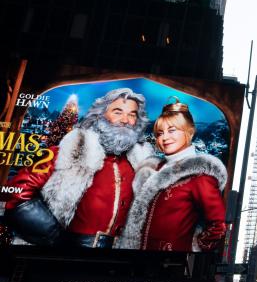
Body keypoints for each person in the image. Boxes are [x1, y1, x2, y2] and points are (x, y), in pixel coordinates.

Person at [4, 88, 153, 247]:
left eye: (132, 114)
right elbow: (17, 194)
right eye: (118, 112)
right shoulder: (69, 150)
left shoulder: (141, 163)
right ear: (99, 116)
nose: (125, 120)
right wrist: (54, 236)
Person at [117, 99, 226, 251]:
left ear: (190, 131)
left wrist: (191, 247)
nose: (165, 138)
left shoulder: (200, 175)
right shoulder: (154, 168)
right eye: (160, 133)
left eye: (172, 130)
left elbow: (218, 226)